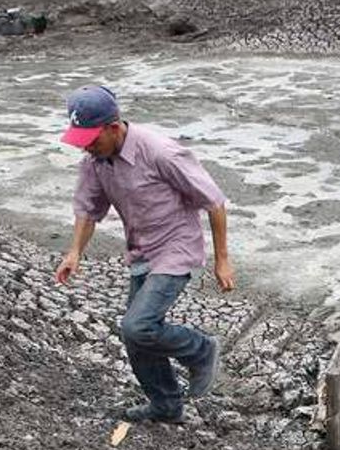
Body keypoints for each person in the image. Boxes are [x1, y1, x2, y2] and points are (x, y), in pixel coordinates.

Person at [53, 84, 235, 424]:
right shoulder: (96, 161)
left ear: (114, 125)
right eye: (83, 141)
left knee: (138, 325)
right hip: (141, 251)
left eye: (93, 139)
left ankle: (202, 349)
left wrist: (221, 259)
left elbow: (214, 201)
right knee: (135, 338)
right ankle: (166, 405)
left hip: (176, 247)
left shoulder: (161, 153)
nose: (88, 147)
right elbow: (88, 209)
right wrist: (74, 252)